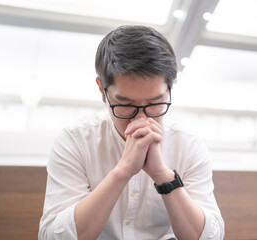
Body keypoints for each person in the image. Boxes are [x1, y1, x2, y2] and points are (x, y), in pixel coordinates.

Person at [38, 25, 224, 240]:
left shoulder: (188, 145)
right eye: (125, 104)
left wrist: (164, 177)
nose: (141, 119)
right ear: (102, 90)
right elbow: (52, 236)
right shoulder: (74, 142)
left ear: (169, 90)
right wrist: (122, 171)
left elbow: (211, 237)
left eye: (155, 103)